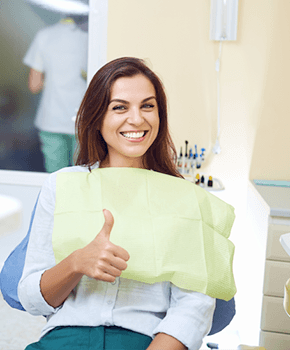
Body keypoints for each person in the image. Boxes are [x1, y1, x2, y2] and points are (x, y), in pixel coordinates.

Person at [18, 57, 215, 350]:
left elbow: (194, 305)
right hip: (65, 338)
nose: (137, 119)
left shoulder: (186, 199)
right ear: (98, 118)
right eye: (120, 107)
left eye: (148, 106)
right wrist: (76, 263)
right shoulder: (61, 186)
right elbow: (32, 299)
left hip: (145, 340)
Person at [23, 15, 88, 173]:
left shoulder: (44, 35)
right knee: (80, 177)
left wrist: (52, 80)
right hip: (83, 118)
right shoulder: (90, 37)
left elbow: (34, 85)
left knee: (54, 179)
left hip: (51, 119)